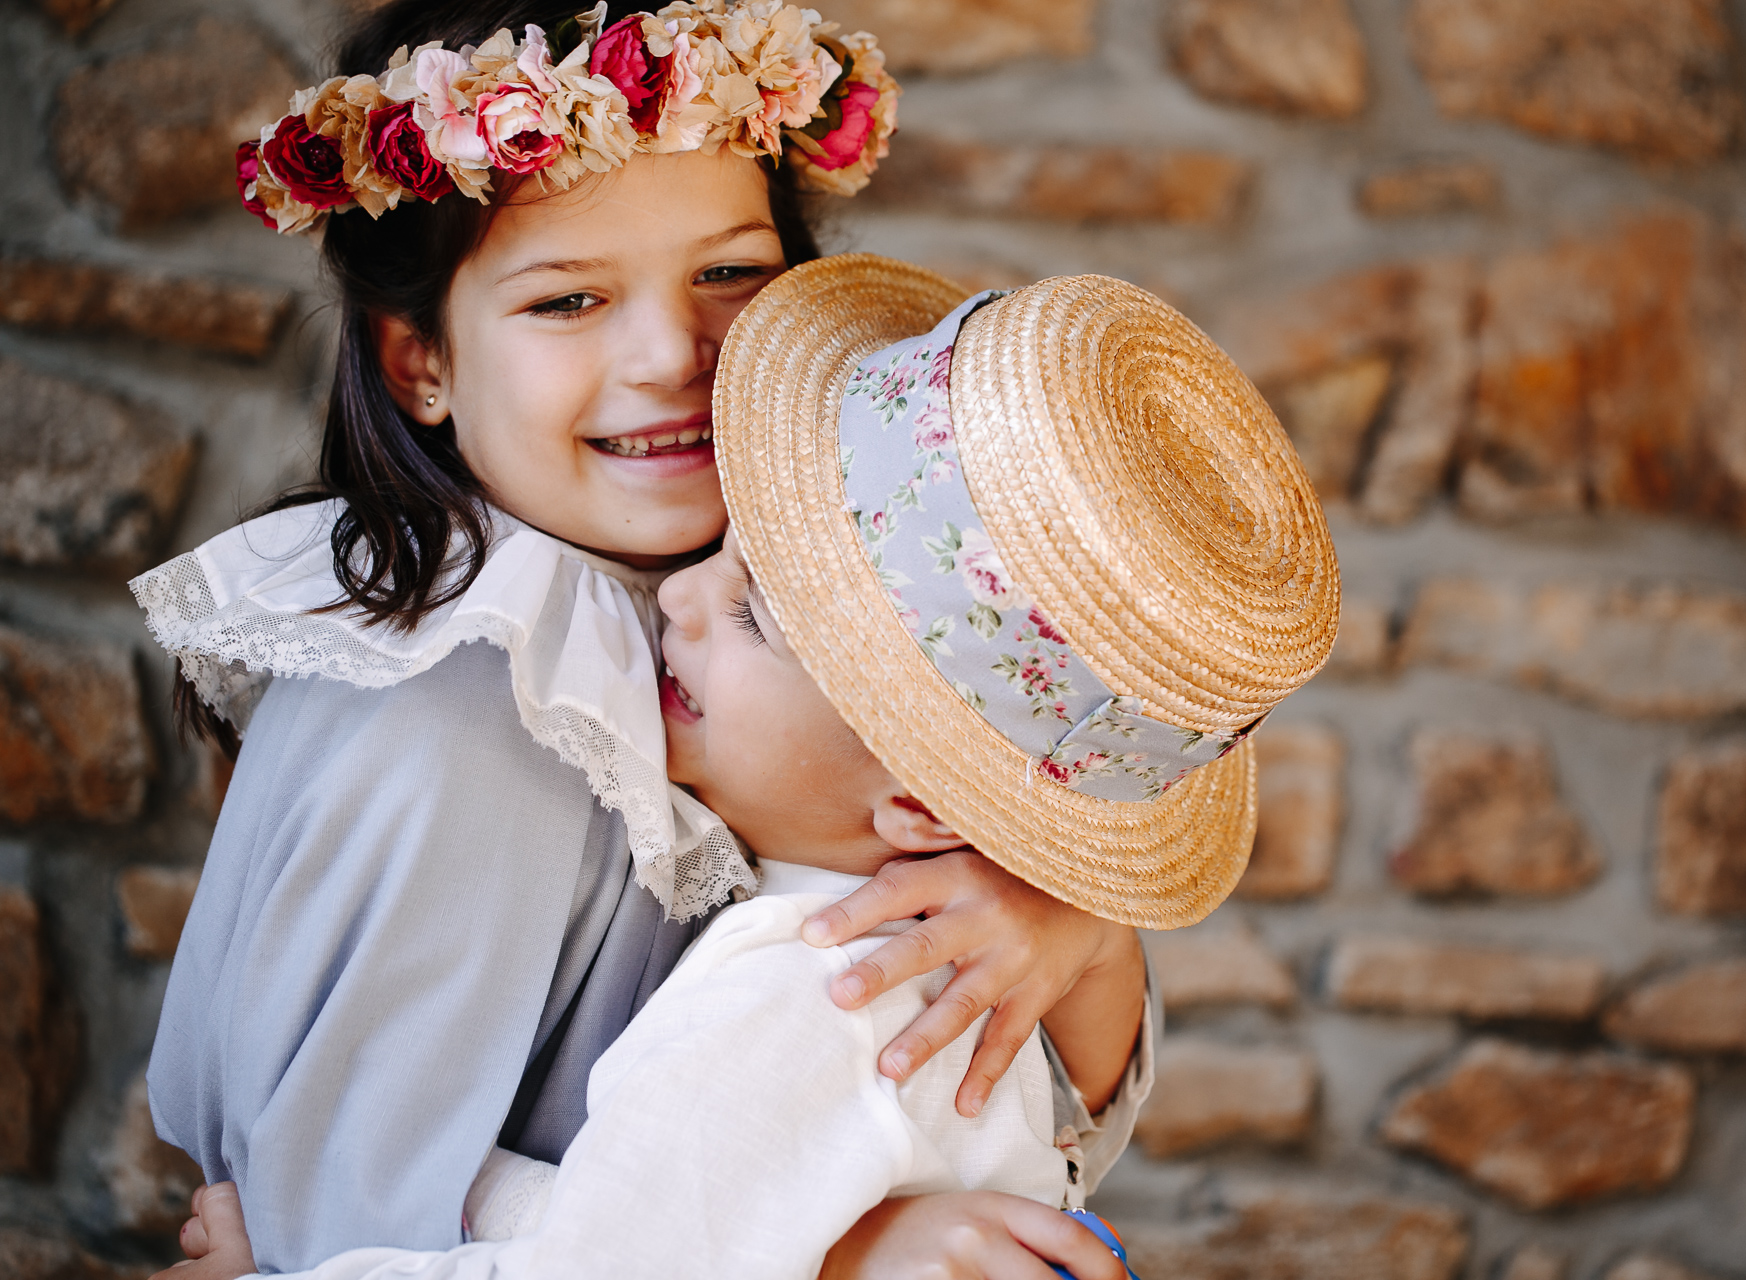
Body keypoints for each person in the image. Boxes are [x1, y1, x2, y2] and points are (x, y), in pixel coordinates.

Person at [132, 6, 1156, 1275]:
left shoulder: (814, 620)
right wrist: (836, 1256)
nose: (672, 353)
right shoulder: (461, 721)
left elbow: (1014, 1133)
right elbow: (333, 1233)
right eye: (568, 299)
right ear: (421, 363)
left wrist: (1077, 925)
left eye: (727, 273)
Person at [164, 259, 1340, 1280]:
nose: (680, 597)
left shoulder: (801, 993)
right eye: (727, 561)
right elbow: (653, 1231)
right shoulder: (937, 965)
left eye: (757, 616)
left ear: (922, 806)